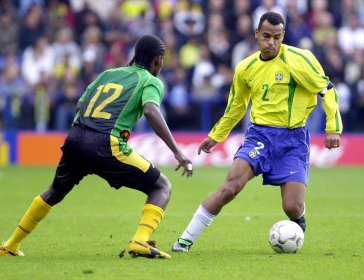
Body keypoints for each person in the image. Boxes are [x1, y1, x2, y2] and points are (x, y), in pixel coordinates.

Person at [0, 35, 193, 259]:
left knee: (55, 191)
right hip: (105, 143)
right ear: (158, 60)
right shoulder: (151, 81)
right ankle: (140, 240)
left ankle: (10, 245)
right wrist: (177, 152)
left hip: (76, 137)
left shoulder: (107, 74)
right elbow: (150, 110)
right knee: (161, 187)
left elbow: (81, 104)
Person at [172, 11, 342, 252]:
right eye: (266, 36)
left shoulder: (300, 59)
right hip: (259, 136)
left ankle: (298, 223)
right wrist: (216, 135)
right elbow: (236, 106)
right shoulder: (245, 68)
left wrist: (333, 128)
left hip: (293, 140)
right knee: (230, 187)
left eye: (277, 37)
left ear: (283, 36)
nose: (271, 42)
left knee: (292, 207)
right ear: (256, 34)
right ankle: (184, 241)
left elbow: (328, 90)